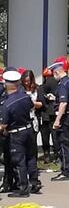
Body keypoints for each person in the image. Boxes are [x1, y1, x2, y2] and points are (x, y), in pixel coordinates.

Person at [0, 68, 42, 197]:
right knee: (30, 158)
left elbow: (3, 125)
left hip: (16, 134)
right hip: (28, 129)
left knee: (18, 161)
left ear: (6, 84)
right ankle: (34, 183)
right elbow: (30, 107)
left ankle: (22, 188)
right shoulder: (25, 96)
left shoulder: (7, 105)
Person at [50, 56, 69, 181]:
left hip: (64, 117)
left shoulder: (62, 85)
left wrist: (57, 120)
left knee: (63, 144)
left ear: (57, 72)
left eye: (53, 73)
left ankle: (65, 171)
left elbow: (63, 103)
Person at [38, 67, 58, 162]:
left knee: (55, 137)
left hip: (53, 115)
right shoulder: (41, 88)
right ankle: (47, 154)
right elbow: (41, 101)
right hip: (44, 116)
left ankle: (56, 154)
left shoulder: (58, 87)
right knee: (45, 137)